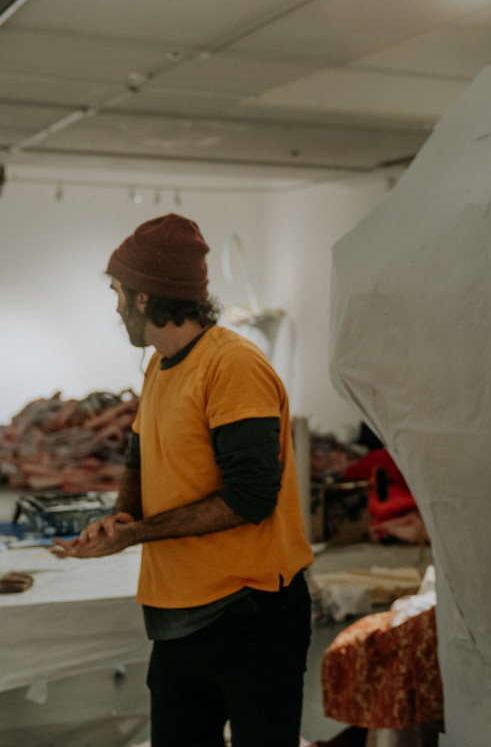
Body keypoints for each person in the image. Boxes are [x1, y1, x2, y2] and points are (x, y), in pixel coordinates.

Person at [52, 213, 314, 747]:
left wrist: (137, 536)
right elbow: (140, 450)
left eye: (118, 292)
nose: (116, 306)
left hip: (250, 613)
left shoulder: (232, 365)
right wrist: (122, 518)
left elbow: (251, 497)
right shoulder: (160, 366)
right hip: (180, 617)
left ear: (144, 297)